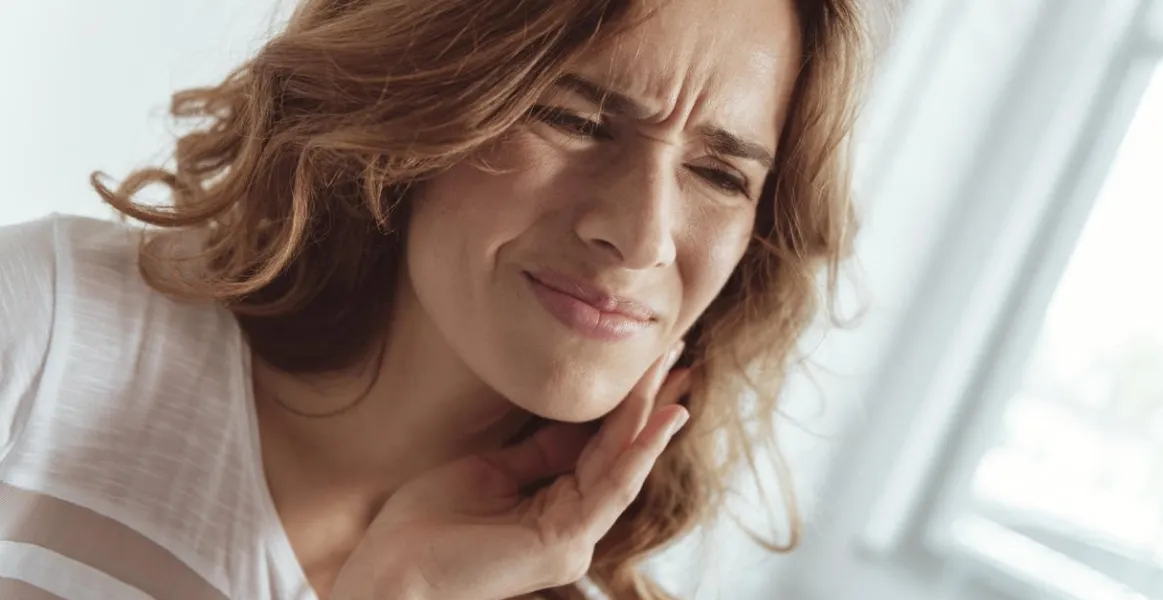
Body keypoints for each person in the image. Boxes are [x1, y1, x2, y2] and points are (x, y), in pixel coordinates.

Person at [0, 0, 868, 598]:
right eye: (574, 120)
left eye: (719, 175)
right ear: (417, 98)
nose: (642, 236)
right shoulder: (48, 328)